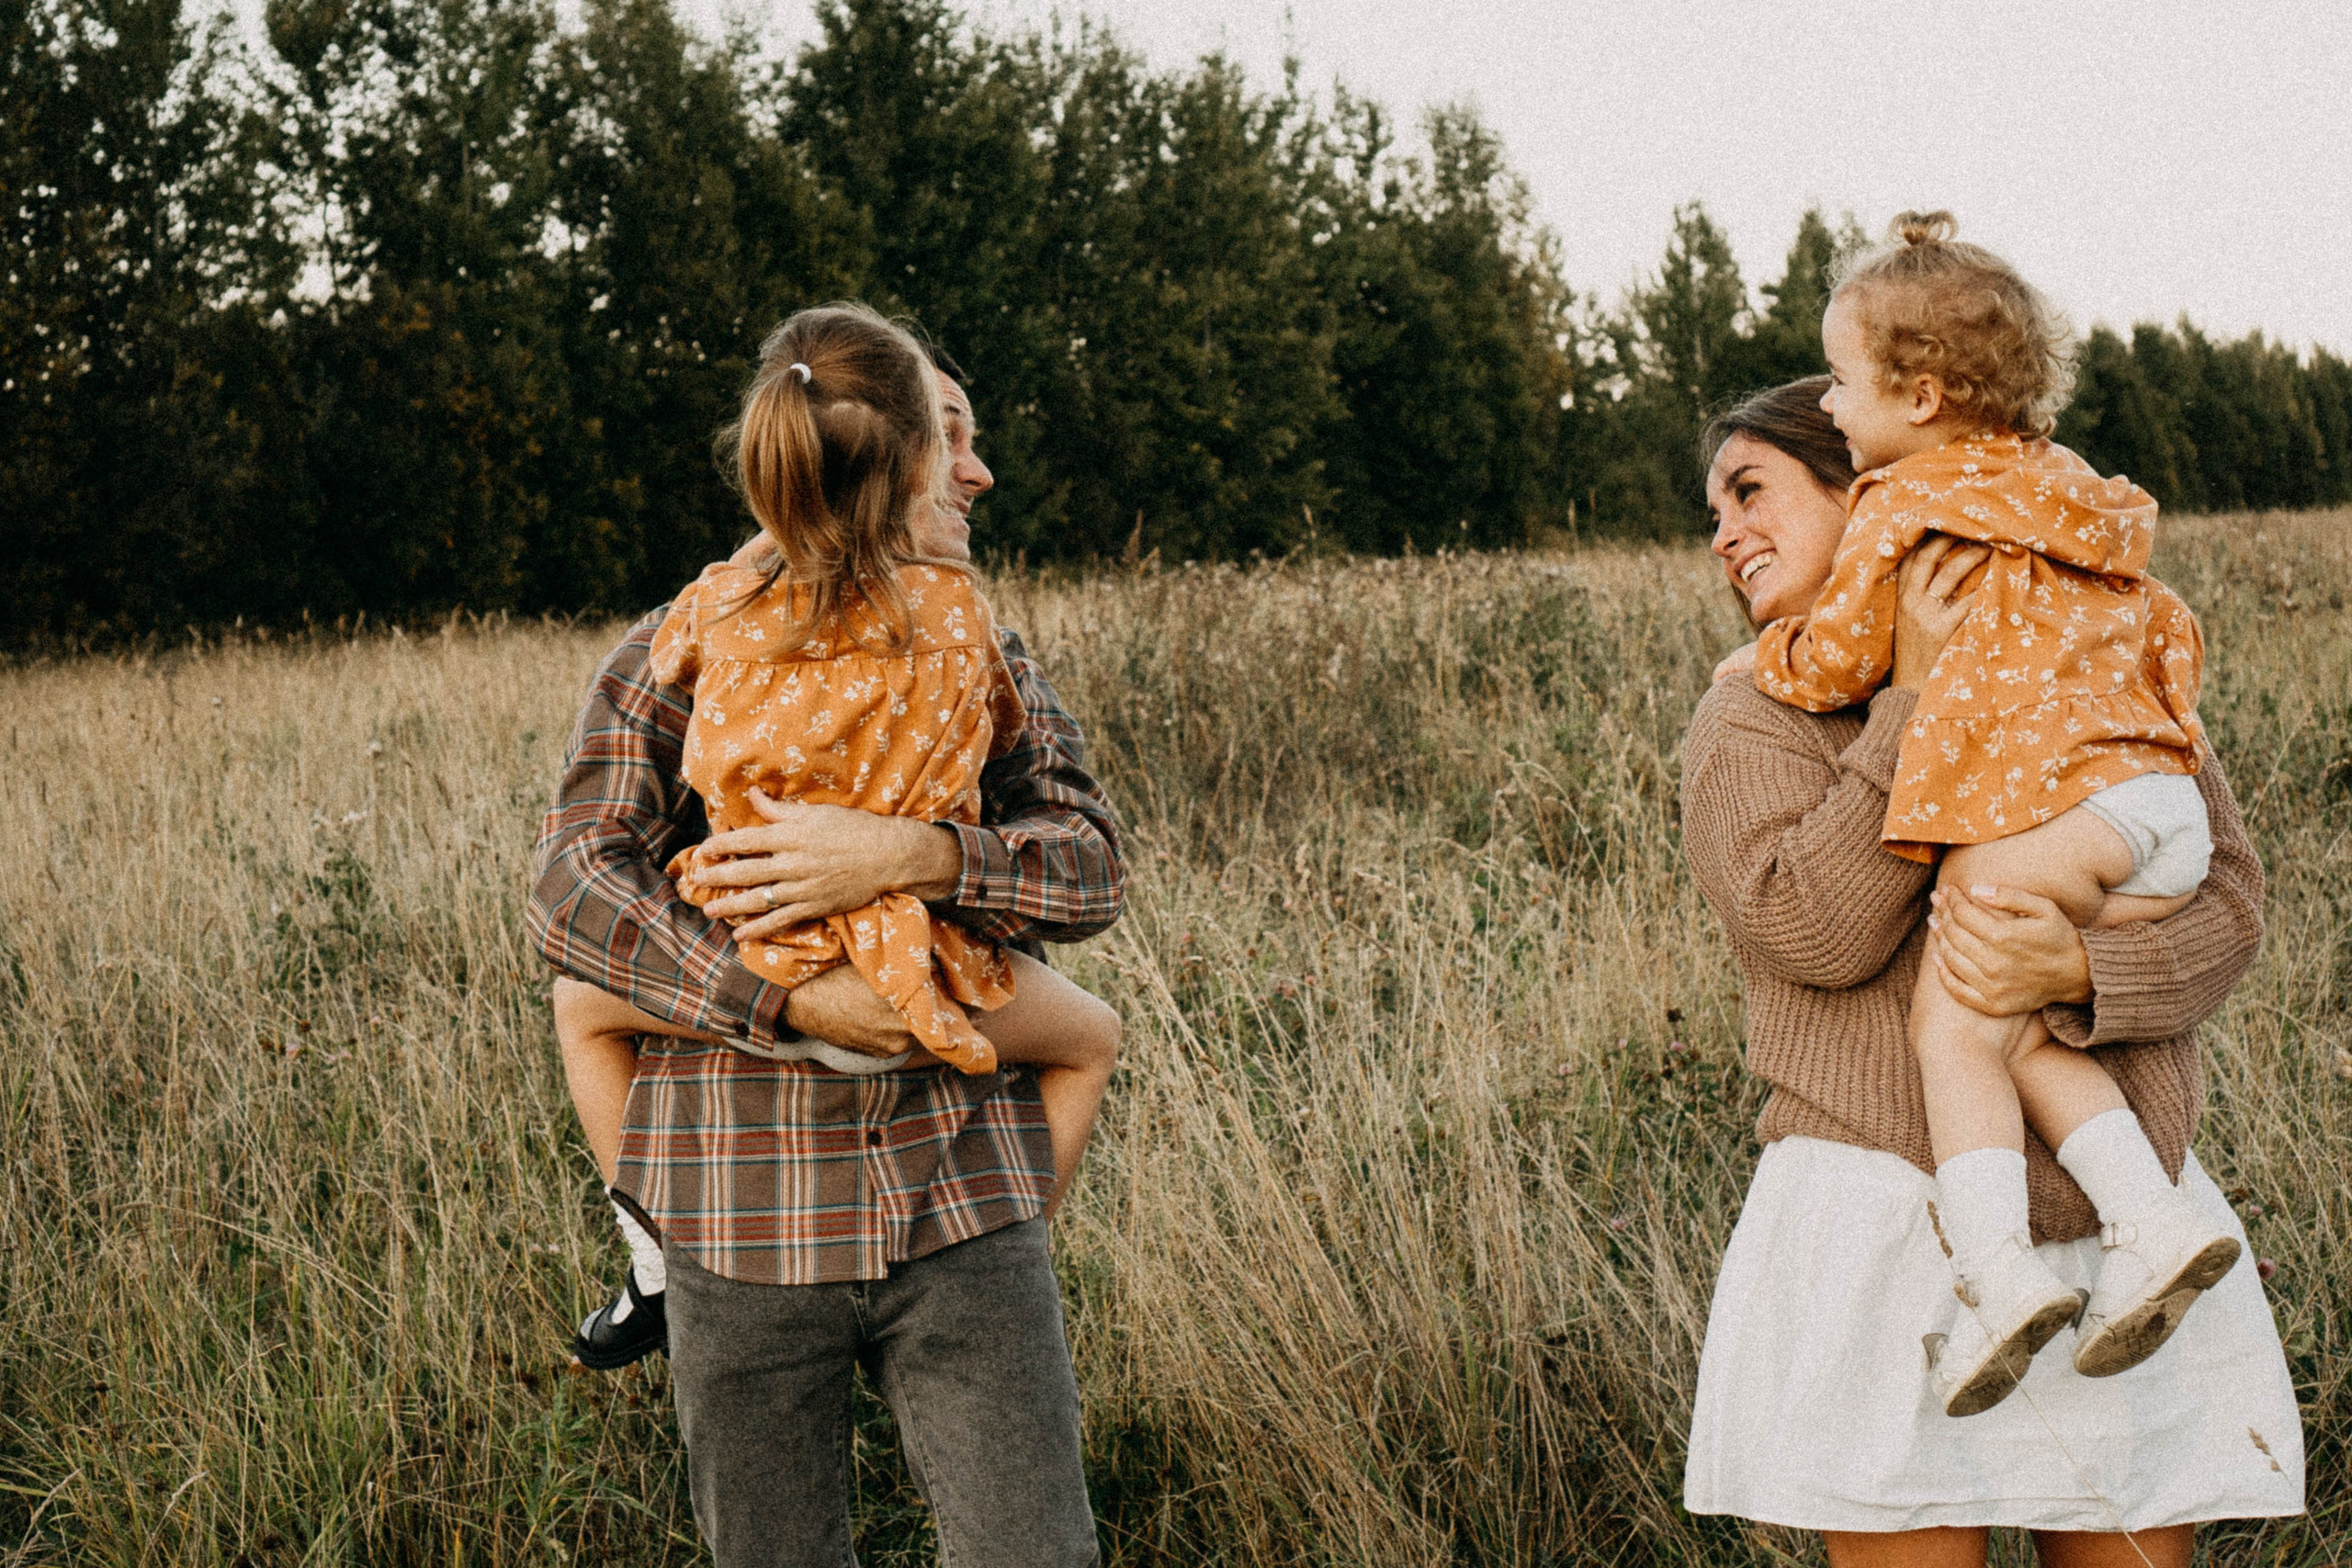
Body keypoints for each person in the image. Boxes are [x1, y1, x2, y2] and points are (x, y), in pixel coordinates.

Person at [526, 328, 1123, 1568]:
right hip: (737, 1221)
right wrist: (789, 1002)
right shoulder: (682, 643)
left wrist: (912, 856)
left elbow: (1092, 862)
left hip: (961, 1205)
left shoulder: (982, 650)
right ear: (881, 462)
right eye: (952, 438)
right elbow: (572, 887)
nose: (979, 474)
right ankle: (649, 1258)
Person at [1682, 377, 2302, 1564]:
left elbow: (2226, 897)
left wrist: (2082, 968)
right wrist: (1912, 701)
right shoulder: (1750, 717)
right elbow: (1813, 932)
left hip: (2122, 1230)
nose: (1724, 534)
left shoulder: (2080, 646)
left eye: (1750, 491)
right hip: (1886, 1229)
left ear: (1869, 492)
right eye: (1713, 513)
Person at [1725, 213, 2233, 1416]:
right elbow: (2163, 626)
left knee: (1953, 1020)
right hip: (2160, 807)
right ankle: (2149, 1224)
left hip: (2074, 820)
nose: (1837, 410)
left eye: (1845, 384)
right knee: (2018, 1027)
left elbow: (1839, 655)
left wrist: (1756, 664)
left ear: (1924, 394)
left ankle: (1998, 1276)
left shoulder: (1910, 507)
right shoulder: (2075, 495)